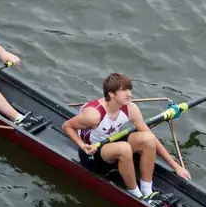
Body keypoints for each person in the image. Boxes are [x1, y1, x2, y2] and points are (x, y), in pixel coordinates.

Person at [62, 73, 191, 199]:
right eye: (124, 90)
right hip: (92, 154)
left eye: (129, 89)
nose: (129, 94)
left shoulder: (130, 108)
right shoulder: (93, 115)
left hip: (110, 144)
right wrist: (82, 145)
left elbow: (150, 137)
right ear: (111, 94)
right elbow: (67, 126)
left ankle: (147, 189)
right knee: (124, 148)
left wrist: (176, 166)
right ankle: (136, 194)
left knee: (149, 138)